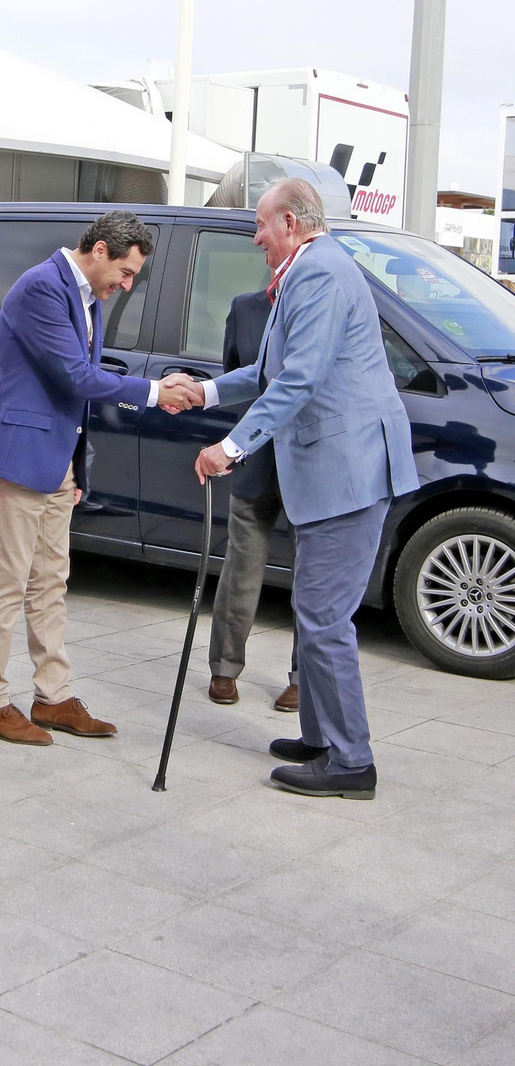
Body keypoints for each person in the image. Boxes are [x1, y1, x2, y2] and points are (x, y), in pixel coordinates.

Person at [189, 177, 417, 800]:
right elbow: (266, 373)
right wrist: (204, 392)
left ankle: (350, 761)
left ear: (289, 222)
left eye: (260, 224)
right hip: (336, 470)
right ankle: (320, 739)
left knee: (324, 616)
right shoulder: (308, 269)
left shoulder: (317, 274)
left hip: (349, 470)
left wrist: (230, 447)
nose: (255, 235)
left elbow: (300, 380)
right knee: (315, 611)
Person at [0, 211, 198, 747]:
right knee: (8, 584)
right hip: (22, 457)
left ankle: (53, 696)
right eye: (126, 271)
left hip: (55, 461)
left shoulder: (87, 295)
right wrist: (154, 391)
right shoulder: (41, 288)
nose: (127, 284)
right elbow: (74, 374)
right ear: (98, 249)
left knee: (50, 583)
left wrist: (74, 465)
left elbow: (73, 391)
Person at [206, 288, 299, 713]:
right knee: (240, 567)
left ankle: (304, 677)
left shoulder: (322, 302)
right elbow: (240, 379)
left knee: (313, 578)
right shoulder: (245, 307)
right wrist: (235, 444)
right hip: (255, 460)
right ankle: (223, 669)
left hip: (310, 464)